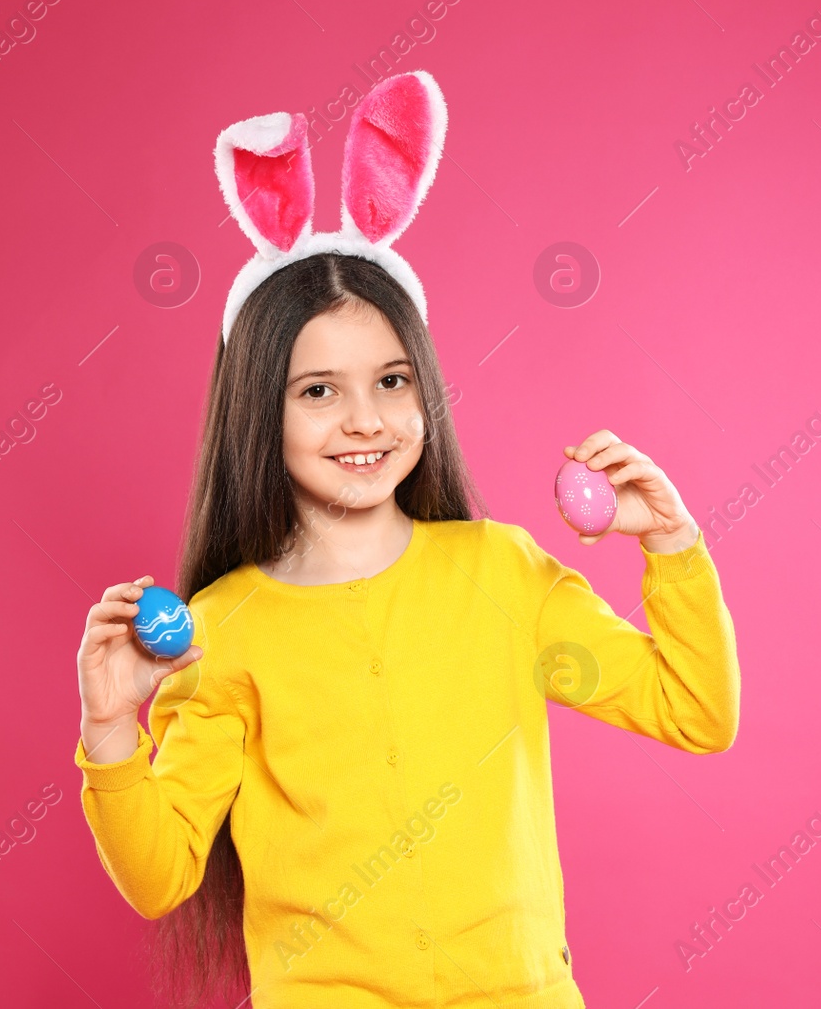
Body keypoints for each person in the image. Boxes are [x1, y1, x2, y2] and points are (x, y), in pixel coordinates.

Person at [72, 72, 740, 1008]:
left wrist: (670, 547)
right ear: (256, 410)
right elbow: (161, 873)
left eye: (392, 381)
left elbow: (694, 710)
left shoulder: (501, 574)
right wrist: (111, 731)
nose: (365, 420)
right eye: (318, 390)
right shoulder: (222, 630)